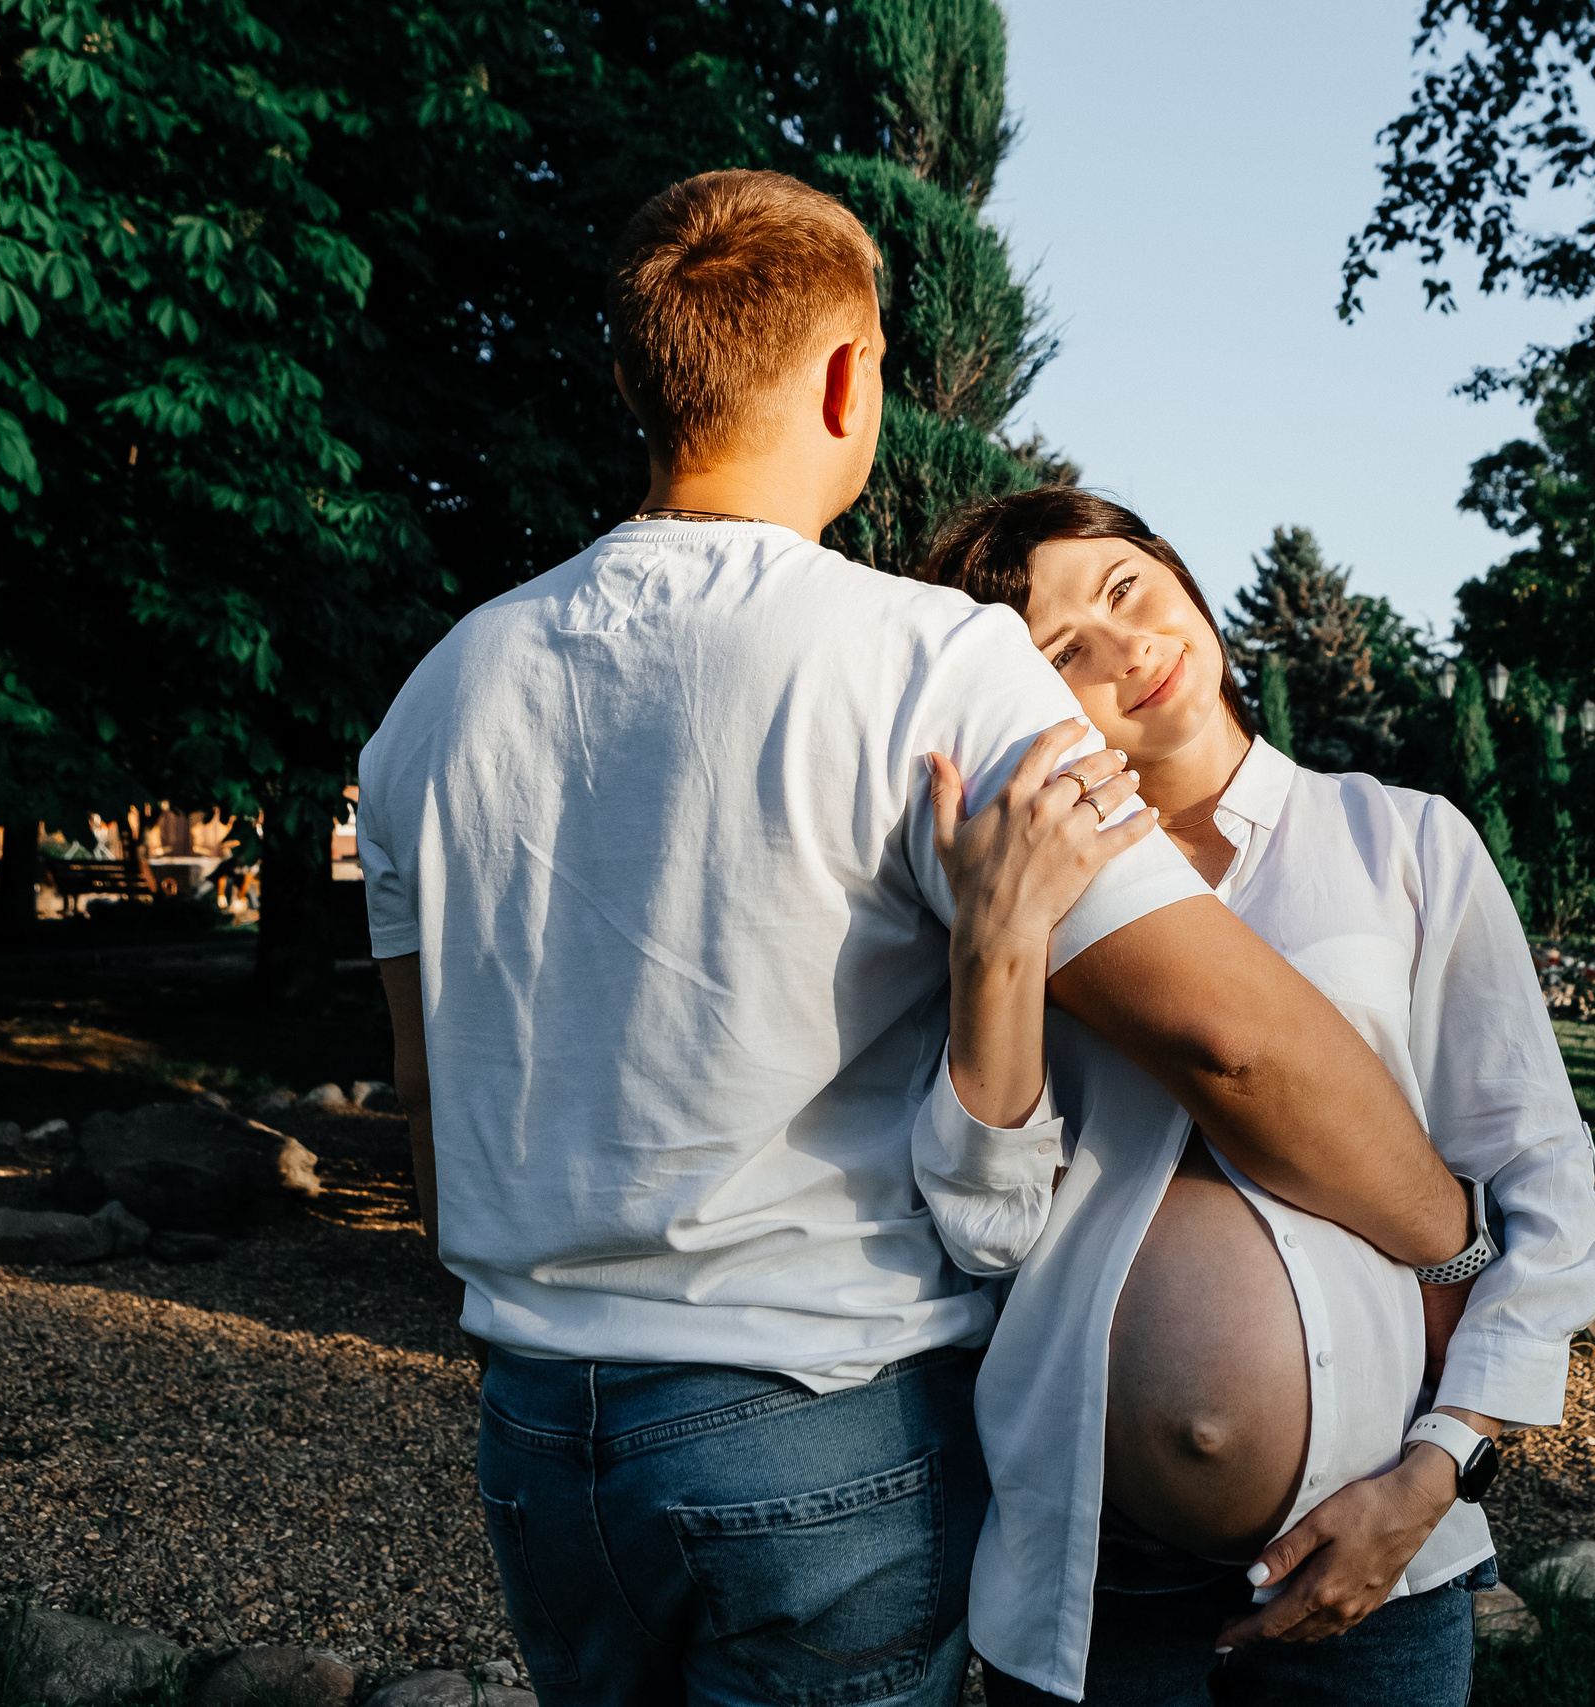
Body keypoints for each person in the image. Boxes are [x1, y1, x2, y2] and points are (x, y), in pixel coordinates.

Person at [354, 169, 1491, 1707]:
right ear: (847, 375)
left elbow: (430, 1112)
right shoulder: (920, 659)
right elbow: (1234, 1034)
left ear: (638, 381)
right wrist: (1447, 1242)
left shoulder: (435, 699)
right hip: (815, 1429)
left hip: (542, 1439)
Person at [908, 487, 1595, 1705]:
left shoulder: (1402, 840)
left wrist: (1438, 1471)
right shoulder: (1017, 882)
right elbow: (986, 1229)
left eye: (1126, 588)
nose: (1126, 647)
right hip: (1095, 1586)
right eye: (1061, 651)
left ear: (1181, 576)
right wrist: (997, 939)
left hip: (1379, 1559)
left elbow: (1546, 1184)